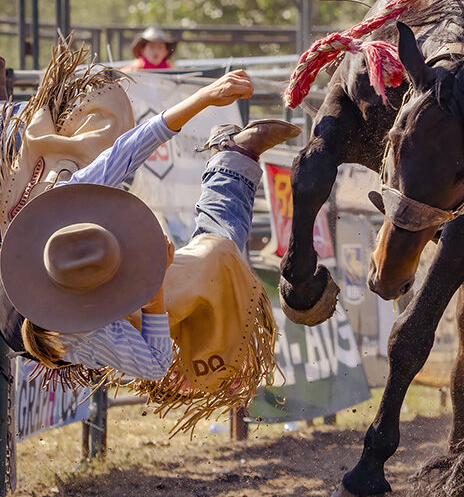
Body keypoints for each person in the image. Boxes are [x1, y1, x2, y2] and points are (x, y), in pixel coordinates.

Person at [2, 70, 300, 383]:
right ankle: (232, 161)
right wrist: (154, 286)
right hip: (65, 323)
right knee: (215, 258)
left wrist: (203, 97)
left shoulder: (62, 209)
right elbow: (156, 364)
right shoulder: (87, 330)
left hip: (60, 287)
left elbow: (125, 152)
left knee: (212, 259)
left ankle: (232, 158)